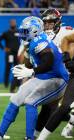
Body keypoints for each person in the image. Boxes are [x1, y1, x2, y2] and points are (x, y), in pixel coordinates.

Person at [0, 16, 69, 140]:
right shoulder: (31, 41)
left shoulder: (39, 40)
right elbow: (30, 63)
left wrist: (30, 72)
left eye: (25, 31)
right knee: (15, 99)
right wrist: (23, 66)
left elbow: (49, 61)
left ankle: (30, 138)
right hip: (42, 77)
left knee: (31, 101)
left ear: (34, 31)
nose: (22, 33)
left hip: (57, 79)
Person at [33, 8, 74, 139]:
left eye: (51, 22)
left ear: (58, 22)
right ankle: (36, 134)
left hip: (67, 73)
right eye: (45, 22)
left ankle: (69, 125)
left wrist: (68, 57)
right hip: (53, 75)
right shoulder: (41, 36)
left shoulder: (66, 31)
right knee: (49, 107)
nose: (47, 25)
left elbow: (69, 42)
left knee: (57, 107)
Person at [0, 19, 20, 92]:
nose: (13, 23)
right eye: (11, 22)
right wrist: (4, 48)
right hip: (10, 54)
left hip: (17, 54)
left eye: (14, 22)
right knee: (8, 69)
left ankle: (17, 83)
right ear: (10, 23)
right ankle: (6, 84)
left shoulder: (19, 32)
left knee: (17, 69)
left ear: (15, 23)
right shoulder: (6, 33)